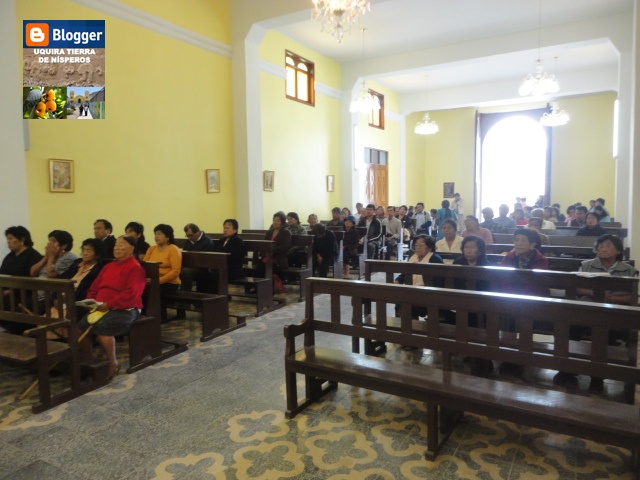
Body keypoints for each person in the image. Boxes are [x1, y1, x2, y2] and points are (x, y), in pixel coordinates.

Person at [554, 235, 638, 392]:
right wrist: (596, 294)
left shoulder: (629, 270)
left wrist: (610, 298)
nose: (603, 249)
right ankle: (567, 370)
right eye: (600, 246)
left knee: (607, 334)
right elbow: (576, 287)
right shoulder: (586, 265)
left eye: (608, 246)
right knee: (570, 328)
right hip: (587, 309)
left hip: (613, 312)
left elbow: (633, 297)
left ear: (618, 250)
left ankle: (597, 376)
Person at [77, 235, 146, 378]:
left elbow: (132, 294)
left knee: (103, 327)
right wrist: (91, 301)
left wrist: (109, 304)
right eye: (115, 245)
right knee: (79, 328)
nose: (117, 248)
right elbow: (94, 287)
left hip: (125, 309)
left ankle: (113, 362)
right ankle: (88, 361)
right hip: (100, 307)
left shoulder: (135, 267)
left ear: (131, 249)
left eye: (121, 245)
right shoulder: (108, 266)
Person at [0, 226, 43, 330]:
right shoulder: (10, 256)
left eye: (10, 238)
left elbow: (30, 279)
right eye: (7, 239)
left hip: (22, 294)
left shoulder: (33, 255)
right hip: (6, 291)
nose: (8, 242)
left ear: (22, 239)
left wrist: (9, 291)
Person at [394, 235, 443, 320]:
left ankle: (410, 325)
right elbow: (405, 274)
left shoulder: (435, 259)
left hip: (430, 294)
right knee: (401, 302)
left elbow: (439, 282)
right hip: (413, 291)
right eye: (416, 245)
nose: (418, 247)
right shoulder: (413, 257)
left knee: (406, 302)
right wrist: (398, 280)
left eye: (422, 244)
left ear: (430, 247)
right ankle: (407, 326)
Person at [59, 238, 107, 322]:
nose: (84, 253)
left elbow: (89, 290)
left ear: (98, 254)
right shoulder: (77, 263)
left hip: (77, 302)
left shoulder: (99, 269)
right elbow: (62, 278)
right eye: (83, 250)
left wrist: (70, 297)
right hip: (62, 299)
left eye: (88, 250)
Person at [30, 230, 78, 314]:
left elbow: (51, 274)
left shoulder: (68, 257)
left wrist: (51, 256)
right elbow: (32, 272)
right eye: (49, 241)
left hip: (50, 298)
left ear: (64, 245)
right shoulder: (50, 256)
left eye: (53, 241)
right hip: (36, 295)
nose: (50, 244)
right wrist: (47, 256)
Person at [143, 224, 182, 321]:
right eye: (155, 234)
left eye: (159, 234)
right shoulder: (151, 249)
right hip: (152, 280)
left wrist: (158, 280)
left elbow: (176, 271)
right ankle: (142, 316)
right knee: (138, 288)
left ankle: (156, 317)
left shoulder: (173, 249)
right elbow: (144, 265)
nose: (156, 236)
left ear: (167, 237)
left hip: (169, 283)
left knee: (150, 290)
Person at [212, 219, 246, 287]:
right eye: (224, 228)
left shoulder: (238, 242)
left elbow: (234, 258)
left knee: (213, 275)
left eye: (227, 228)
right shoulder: (221, 241)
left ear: (235, 230)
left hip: (233, 270)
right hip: (221, 267)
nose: (225, 230)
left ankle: (220, 293)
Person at [259, 211, 292, 281]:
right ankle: (260, 285)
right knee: (259, 267)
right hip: (267, 257)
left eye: (278, 221)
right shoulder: (269, 232)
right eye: (274, 220)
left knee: (263, 267)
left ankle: (269, 284)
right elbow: (264, 244)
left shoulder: (286, 232)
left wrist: (271, 250)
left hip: (278, 259)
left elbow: (285, 247)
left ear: (282, 222)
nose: (275, 222)